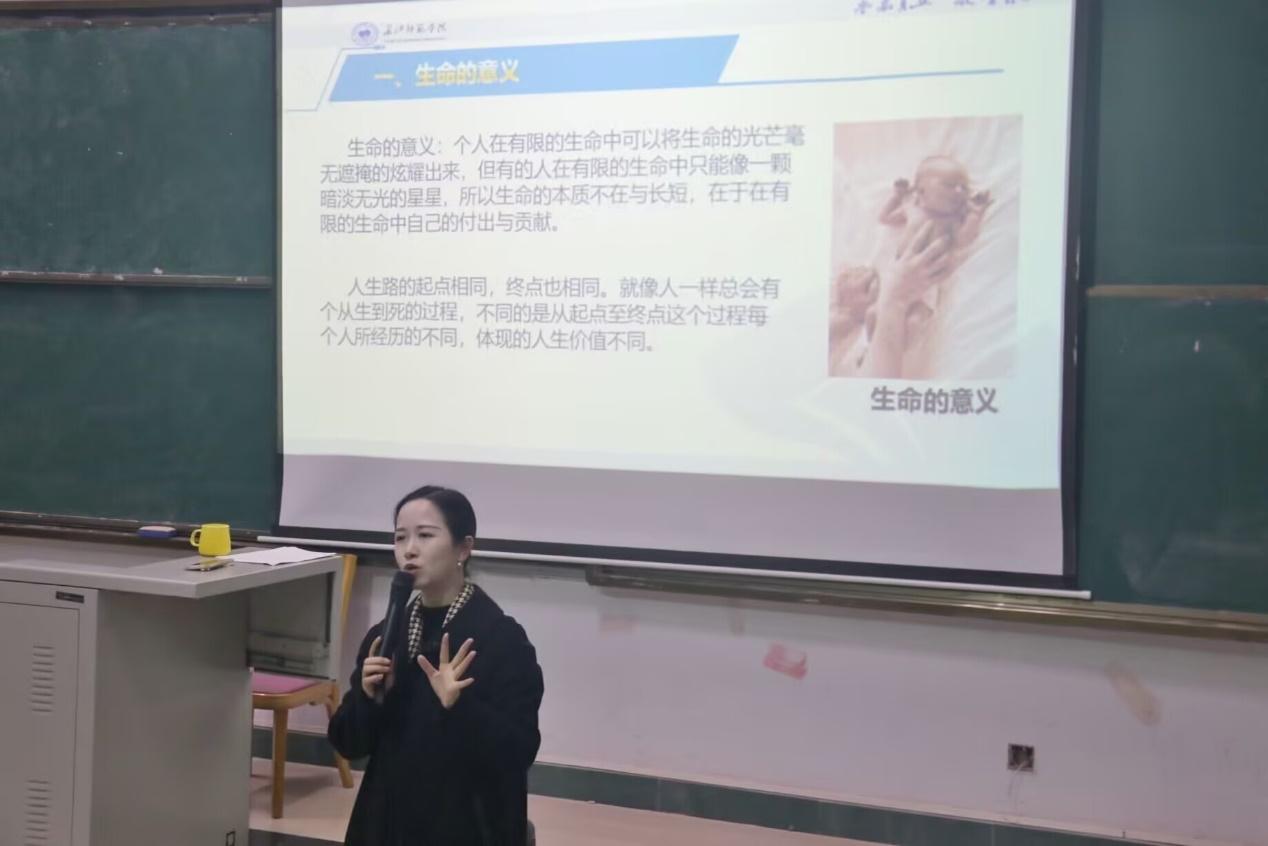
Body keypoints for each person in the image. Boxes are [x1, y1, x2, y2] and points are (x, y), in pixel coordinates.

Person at [329, 485, 544, 845]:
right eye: (400, 537)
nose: (409, 550)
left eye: (425, 535)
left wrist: (460, 706)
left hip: (467, 826)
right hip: (387, 823)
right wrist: (367, 697)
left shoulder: (500, 639)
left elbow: (518, 752)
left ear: (464, 548)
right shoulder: (386, 635)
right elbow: (349, 744)